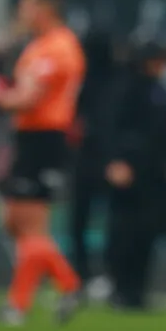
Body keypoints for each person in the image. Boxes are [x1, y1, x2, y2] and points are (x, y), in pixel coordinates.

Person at [0, 0, 86, 326]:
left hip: (44, 139)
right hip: (31, 138)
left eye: (26, 3)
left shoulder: (58, 47)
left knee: (29, 224)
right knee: (17, 222)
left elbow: (29, 98)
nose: (21, 11)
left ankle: (25, 302)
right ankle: (63, 285)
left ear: (44, 6)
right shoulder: (39, 45)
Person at [103, 37, 166, 310]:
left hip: (152, 173)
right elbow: (111, 128)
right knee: (123, 232)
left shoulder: (159, 89)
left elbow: (165, 132)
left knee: (145, 233)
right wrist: (116, 161)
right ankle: (120, 288)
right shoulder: (125, 87)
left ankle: (137, 290)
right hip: (128, 171)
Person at [68, 31, 119, 296]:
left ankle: (83, 274)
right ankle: (104, 274)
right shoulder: (115, 79)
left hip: (89, 158)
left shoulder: (87, 80)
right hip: (104, 157)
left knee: (81, 219)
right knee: (109, 218)